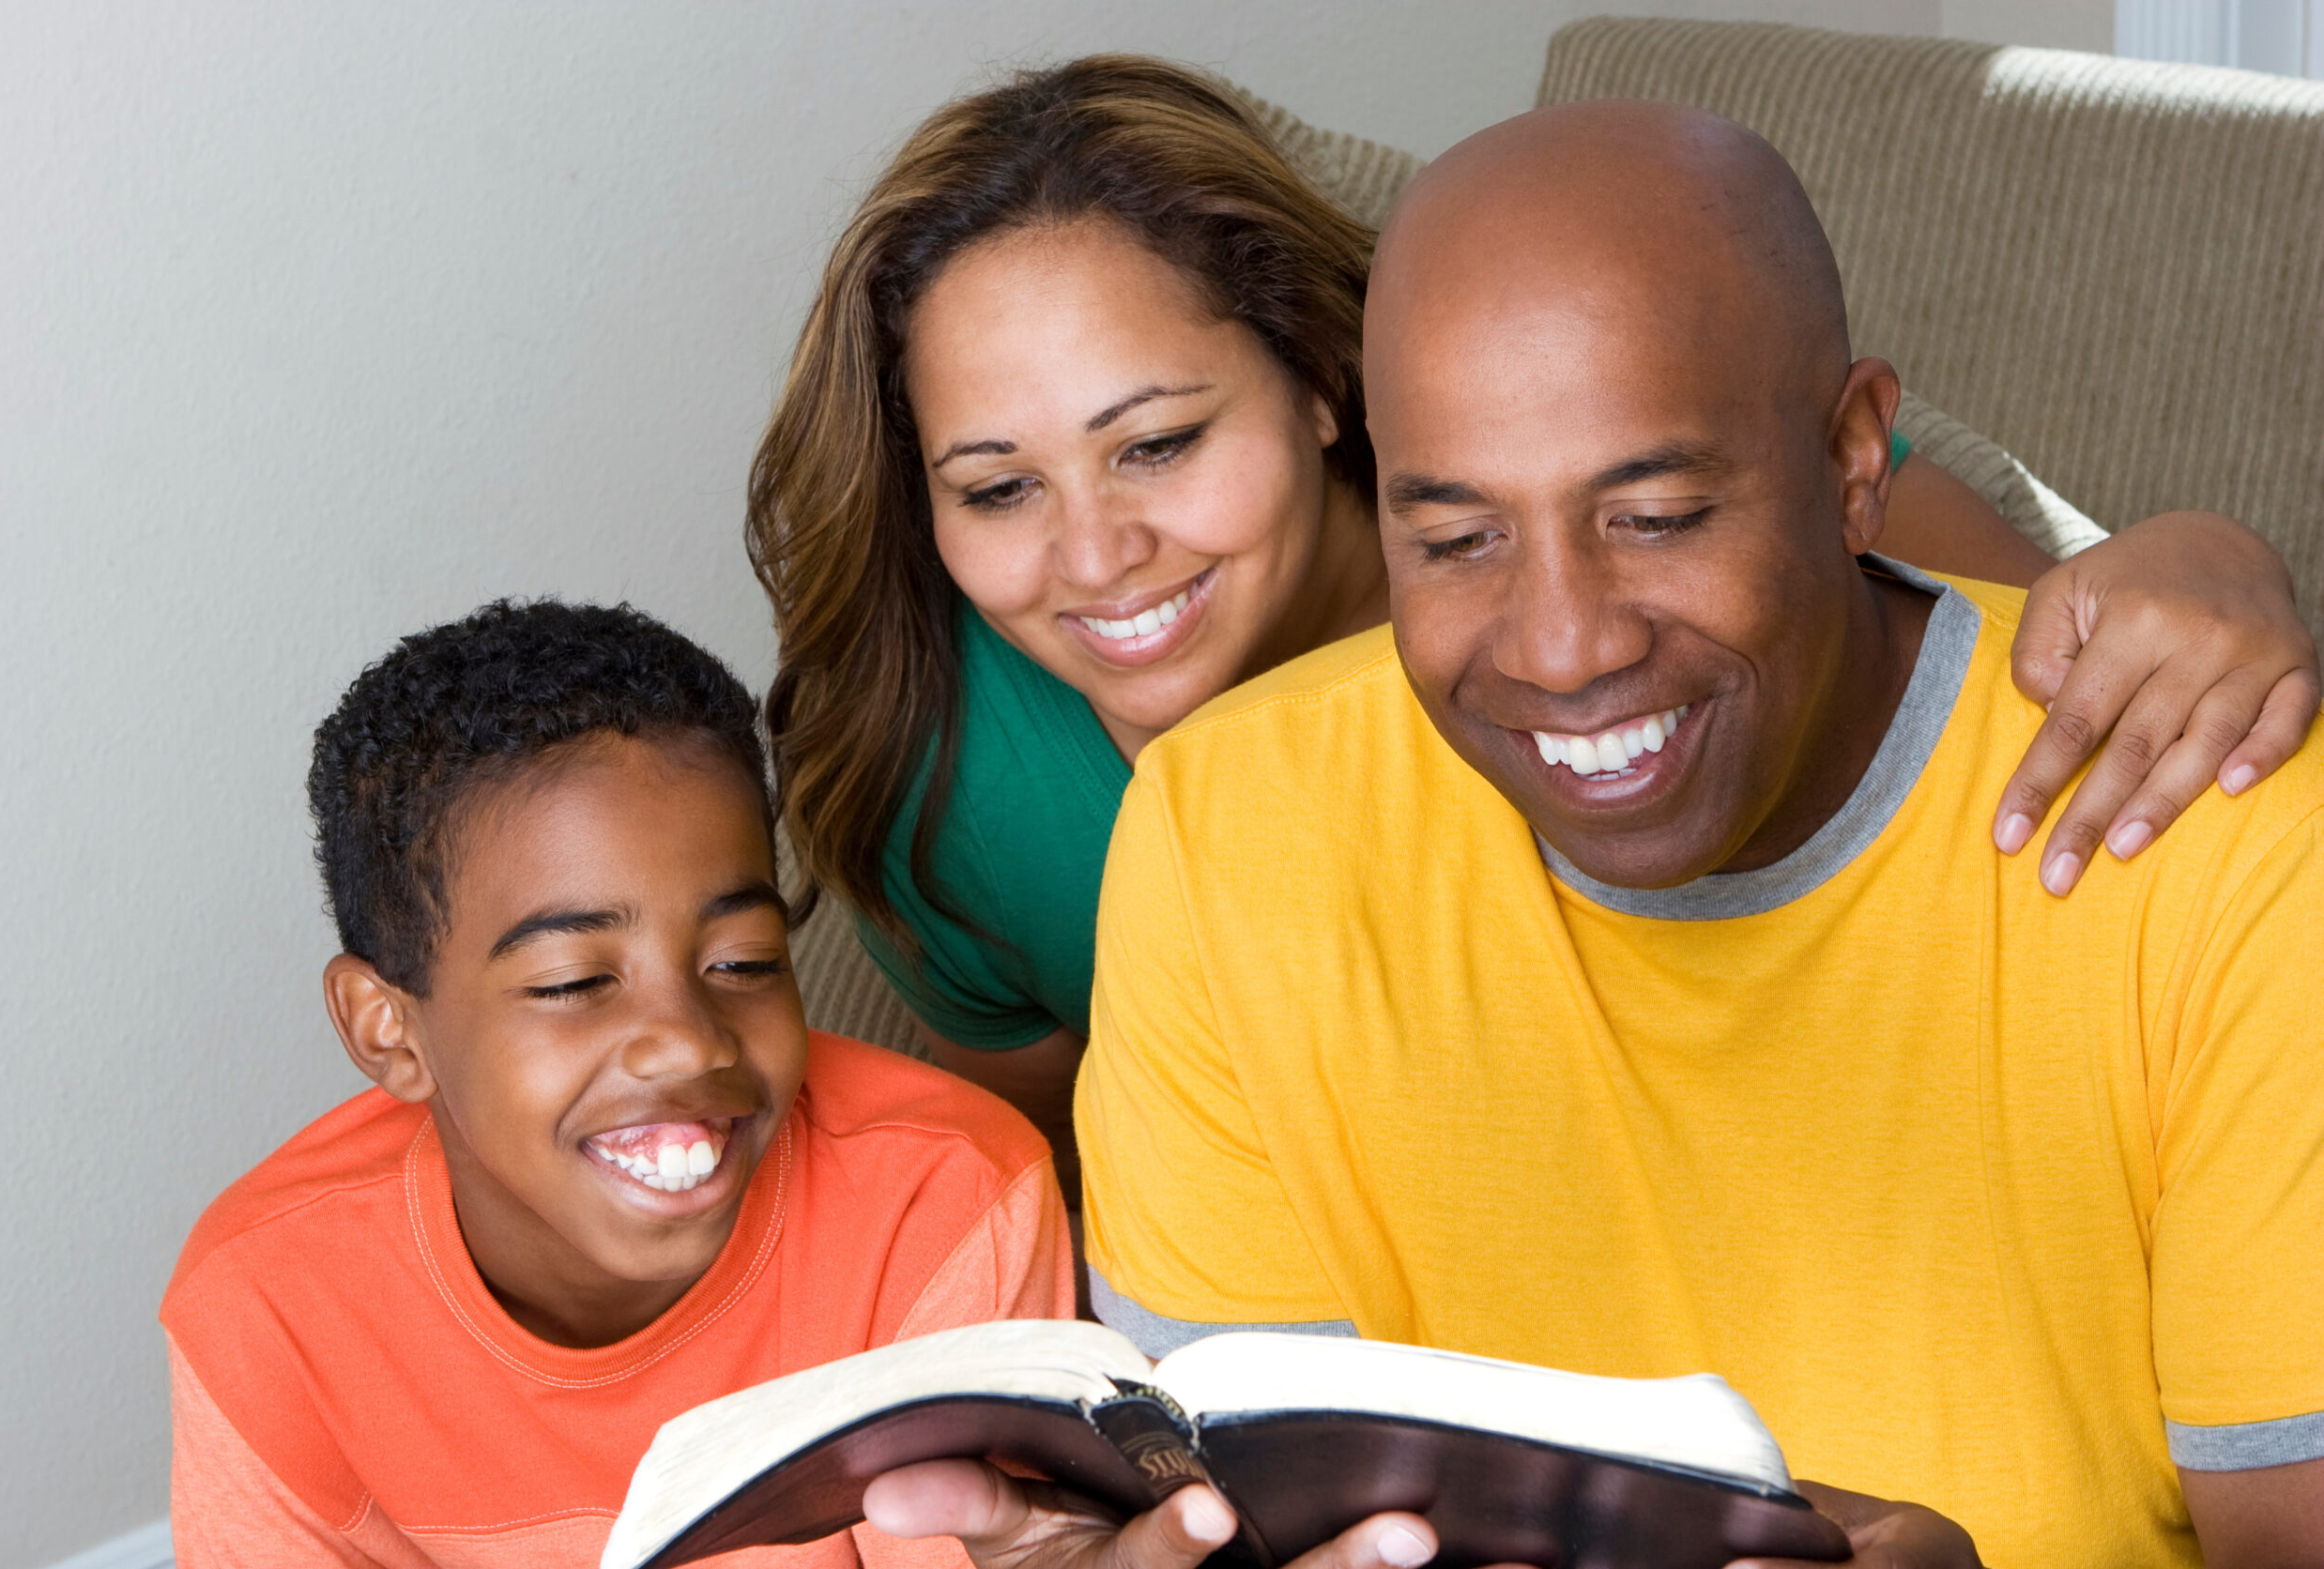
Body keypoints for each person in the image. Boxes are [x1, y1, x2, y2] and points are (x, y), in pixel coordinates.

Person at [864, 103, 2324, 1569]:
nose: (1563, 647)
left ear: (1851, 456)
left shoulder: (2209, 816)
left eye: (1657, 514)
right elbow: (1261, 1527)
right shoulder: (1208, 831)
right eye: (1462, 537)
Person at [748, 55, 2319, 1201]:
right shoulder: (933, 777)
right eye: (997, 487)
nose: (1096, 555)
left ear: (1317, 378)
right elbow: (1056, 1192)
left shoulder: (1673, 510)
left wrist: (2207, 560)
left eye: (1157, 442)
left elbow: (2048, 659)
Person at [160, 601, 1066, 1569]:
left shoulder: (940, 1200)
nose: (686, 1037)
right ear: (388, 1028)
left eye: (742, 961)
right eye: (571, 982)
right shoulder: (267, 1303)